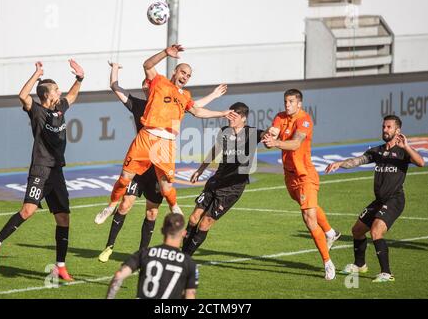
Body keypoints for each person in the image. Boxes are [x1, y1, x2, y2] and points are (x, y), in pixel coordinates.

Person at [98, 44, 237, 219]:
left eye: (188, 75)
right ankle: (111, 206)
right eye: (182, 72)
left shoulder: (185, 95)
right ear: (174, 72)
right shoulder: (159, 82)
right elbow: (147, 65)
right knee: (125, 177)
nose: (185, 77)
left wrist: (222, 113)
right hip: (147, 136)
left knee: (166, 187)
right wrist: (165, 53)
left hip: (166, 142)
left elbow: (197, 111)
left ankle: (174, 206)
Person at [0, 60, 85, 281]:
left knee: (63, 218)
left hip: (57, 171)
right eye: (57, 89)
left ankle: (60, 266)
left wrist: (79, 78)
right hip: (41, 168)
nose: (60, 92)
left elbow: (73, 96)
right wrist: (37, 73)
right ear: (47, 95)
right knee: (28, 211)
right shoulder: (37, 112)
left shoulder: (60, 107)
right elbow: (22, 96)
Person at [325, 115, 425, 282]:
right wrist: (340, 163)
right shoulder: (377, 151)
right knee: (356, 230)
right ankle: (360, 265)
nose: (385, 130)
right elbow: (357, 161)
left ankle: (386, 273)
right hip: (379, 200)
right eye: (384, 127)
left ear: (397, 130)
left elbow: (421, 162)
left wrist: (407, 147)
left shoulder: (403, 152)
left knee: (376, 231)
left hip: (395, 200)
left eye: (389, 127)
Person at [262, 89, 340, 280]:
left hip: (305, 174)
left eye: (290, 102)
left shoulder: (304, 120)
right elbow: (271, 136)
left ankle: (327, 262)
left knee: (308, 217)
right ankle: (330, 232)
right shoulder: (280, 117)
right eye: (285, 101)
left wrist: (276, 142)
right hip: (289, 176)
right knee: (310, 208)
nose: (287, 105)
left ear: (299, 104)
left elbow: (296, 143)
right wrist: (268, 137)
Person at [95, 62, 164, 263]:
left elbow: (191, 107)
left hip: (157, 167)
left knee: (152, 213)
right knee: (125, 204)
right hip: (139, 165)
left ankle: (143, 253)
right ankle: (109, 246)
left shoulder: (166, 107)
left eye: (148, 86)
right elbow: (115, 87)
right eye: (144, 87)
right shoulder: (138, 105)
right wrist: (115, 68)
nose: (146, 88)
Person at [182, 102, 265, 256]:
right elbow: (215, 150)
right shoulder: (224, 131)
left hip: (232, 188)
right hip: (216, 181)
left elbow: (265, 136)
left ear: (244, 118)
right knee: (193, 218)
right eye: (230, 114)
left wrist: (271, 133)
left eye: (235, 115)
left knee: (205, 223)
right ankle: (181, 254)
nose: (230, 118)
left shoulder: (252, 133)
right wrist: (201, 170)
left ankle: (186, 257)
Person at [106, 213, 198, 299]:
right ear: (184, 233)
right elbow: (190, 295)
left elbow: (119, 275)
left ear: (162, 230)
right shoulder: (189, 263)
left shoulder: (145, 253)